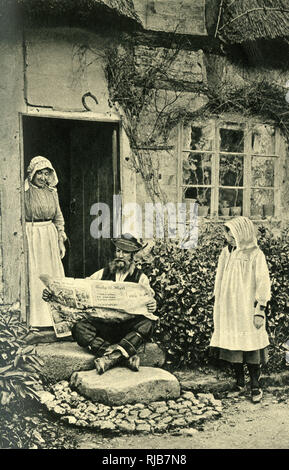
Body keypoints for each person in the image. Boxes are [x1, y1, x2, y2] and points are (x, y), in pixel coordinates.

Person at [43, 233, 157, 374]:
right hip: (105, 327)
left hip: (126, 328)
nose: (120, 255)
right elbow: (81, 288)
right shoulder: (103, 273)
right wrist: (52, 294)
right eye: (118, 251)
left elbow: (149, 301)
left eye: (125, 252)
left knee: (148, 323)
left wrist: (152, 305)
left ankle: (109, 358)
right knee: (79, 328)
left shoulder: (141, 278)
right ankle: (122, 356)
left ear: (133, 256)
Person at [210, 216, 271, 403]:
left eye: (230, 231)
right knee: (234, 344)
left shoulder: (255, 254)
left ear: (241, 232)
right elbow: (219, 277)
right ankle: (239, 382)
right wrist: (218, 299)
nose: (227, 235)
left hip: (247, 306)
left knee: (251, 344)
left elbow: (263, 282)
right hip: (229, 307)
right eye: (226, 232)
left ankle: (255, 385)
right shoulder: (226, 252)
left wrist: (260, 308)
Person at [25, 156, 67, 328]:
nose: (43, 177)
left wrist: (60, 240)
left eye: (46, 173)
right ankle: (36, 321)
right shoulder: (24, 192)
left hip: (49, 236)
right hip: (32, 235)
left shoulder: (52, 192)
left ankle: (54, 320)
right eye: (39, 173)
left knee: (51, 276)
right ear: (32, 174)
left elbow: (58, 218)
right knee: (35, 276)